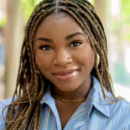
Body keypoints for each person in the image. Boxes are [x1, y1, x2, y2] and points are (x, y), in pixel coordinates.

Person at [0, 0, 130, 129]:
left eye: (75, 43)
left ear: (96, 45)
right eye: (46, 47)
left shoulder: (125, 117)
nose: (61, 60)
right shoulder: (7, 115)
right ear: (32, 54)